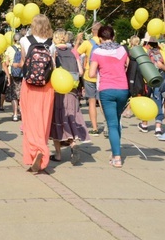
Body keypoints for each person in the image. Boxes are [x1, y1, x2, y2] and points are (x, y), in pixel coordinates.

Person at [88, 25, 129, 168]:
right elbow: (127, 66)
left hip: (106, 89)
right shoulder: (122, 50)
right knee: (117, 121)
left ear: (99, 38)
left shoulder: (97, 51)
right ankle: (115, 151)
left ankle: (116, 156)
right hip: (123, 88)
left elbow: (91, 73)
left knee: (111, 124)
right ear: (113, 36)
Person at [19, 14, 55, 173]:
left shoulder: (25, 41)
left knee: (29, 120)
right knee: (43, 120)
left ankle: (35, 151)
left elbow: (22, 64)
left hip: (29, 85)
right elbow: (53, 66)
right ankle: (42, 149)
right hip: (47, 87)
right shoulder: (51, 44)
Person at [50, 29, 88, 165]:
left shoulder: (54, 52)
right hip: (72, 89)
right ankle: (73, 144)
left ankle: (58, 154)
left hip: (59, 91)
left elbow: (53, 70)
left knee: (58, 121)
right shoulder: (74, 52)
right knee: (71, 118)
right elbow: (81, 72)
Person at [77, 22, 104, 135]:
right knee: (103, 102)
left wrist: (78, 40)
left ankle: (94, 128)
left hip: (89, 75)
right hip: (102, 75)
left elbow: (75, 53)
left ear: (92, 31)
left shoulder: (87, 43)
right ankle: (107, 125)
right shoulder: (105, 43)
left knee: (92, 102)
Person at [138, 34, 165, 135]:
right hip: (159, 79)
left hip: (146, 80)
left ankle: (144, 124)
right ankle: (158, 126)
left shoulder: (144, 51)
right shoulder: (162, 52)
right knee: (158, 101)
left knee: (146, 101)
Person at [4, 31, 23, 121]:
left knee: (14, 95)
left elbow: (6, 63)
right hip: (23, 74)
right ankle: (22, 113)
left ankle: (15, 114)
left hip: (13, 74)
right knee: (22, 94)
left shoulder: (9, 49)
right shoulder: (24, 48)